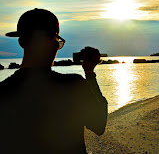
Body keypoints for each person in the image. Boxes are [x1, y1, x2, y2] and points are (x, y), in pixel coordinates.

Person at [0, 8, 108, 154]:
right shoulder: (73, 85)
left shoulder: (3, 91)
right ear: (53, 42)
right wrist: (89, 73)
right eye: (58, 41)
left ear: (21, 42)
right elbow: (98, 123)